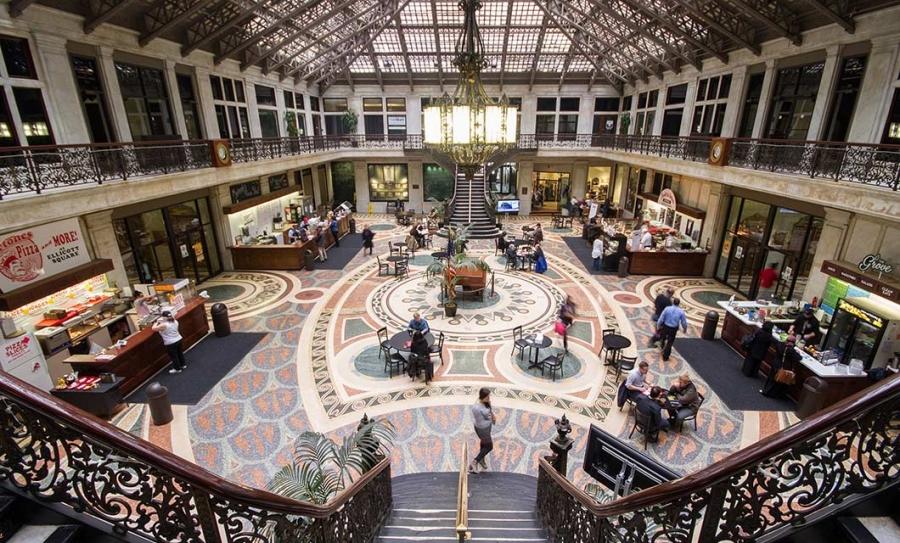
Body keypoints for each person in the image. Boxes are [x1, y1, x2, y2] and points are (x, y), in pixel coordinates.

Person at [469, 387, 496, 473]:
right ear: (482, 397)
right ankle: (475, 461)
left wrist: (492, 415)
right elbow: (481, 420)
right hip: (482, 429)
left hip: (487, 427)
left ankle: (481, 459)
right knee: (489, 446)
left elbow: (489, 413)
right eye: (487, 397)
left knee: (484, 443)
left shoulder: (486, 403)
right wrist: (489, 417)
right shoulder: (476, 408)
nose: (489, 399)